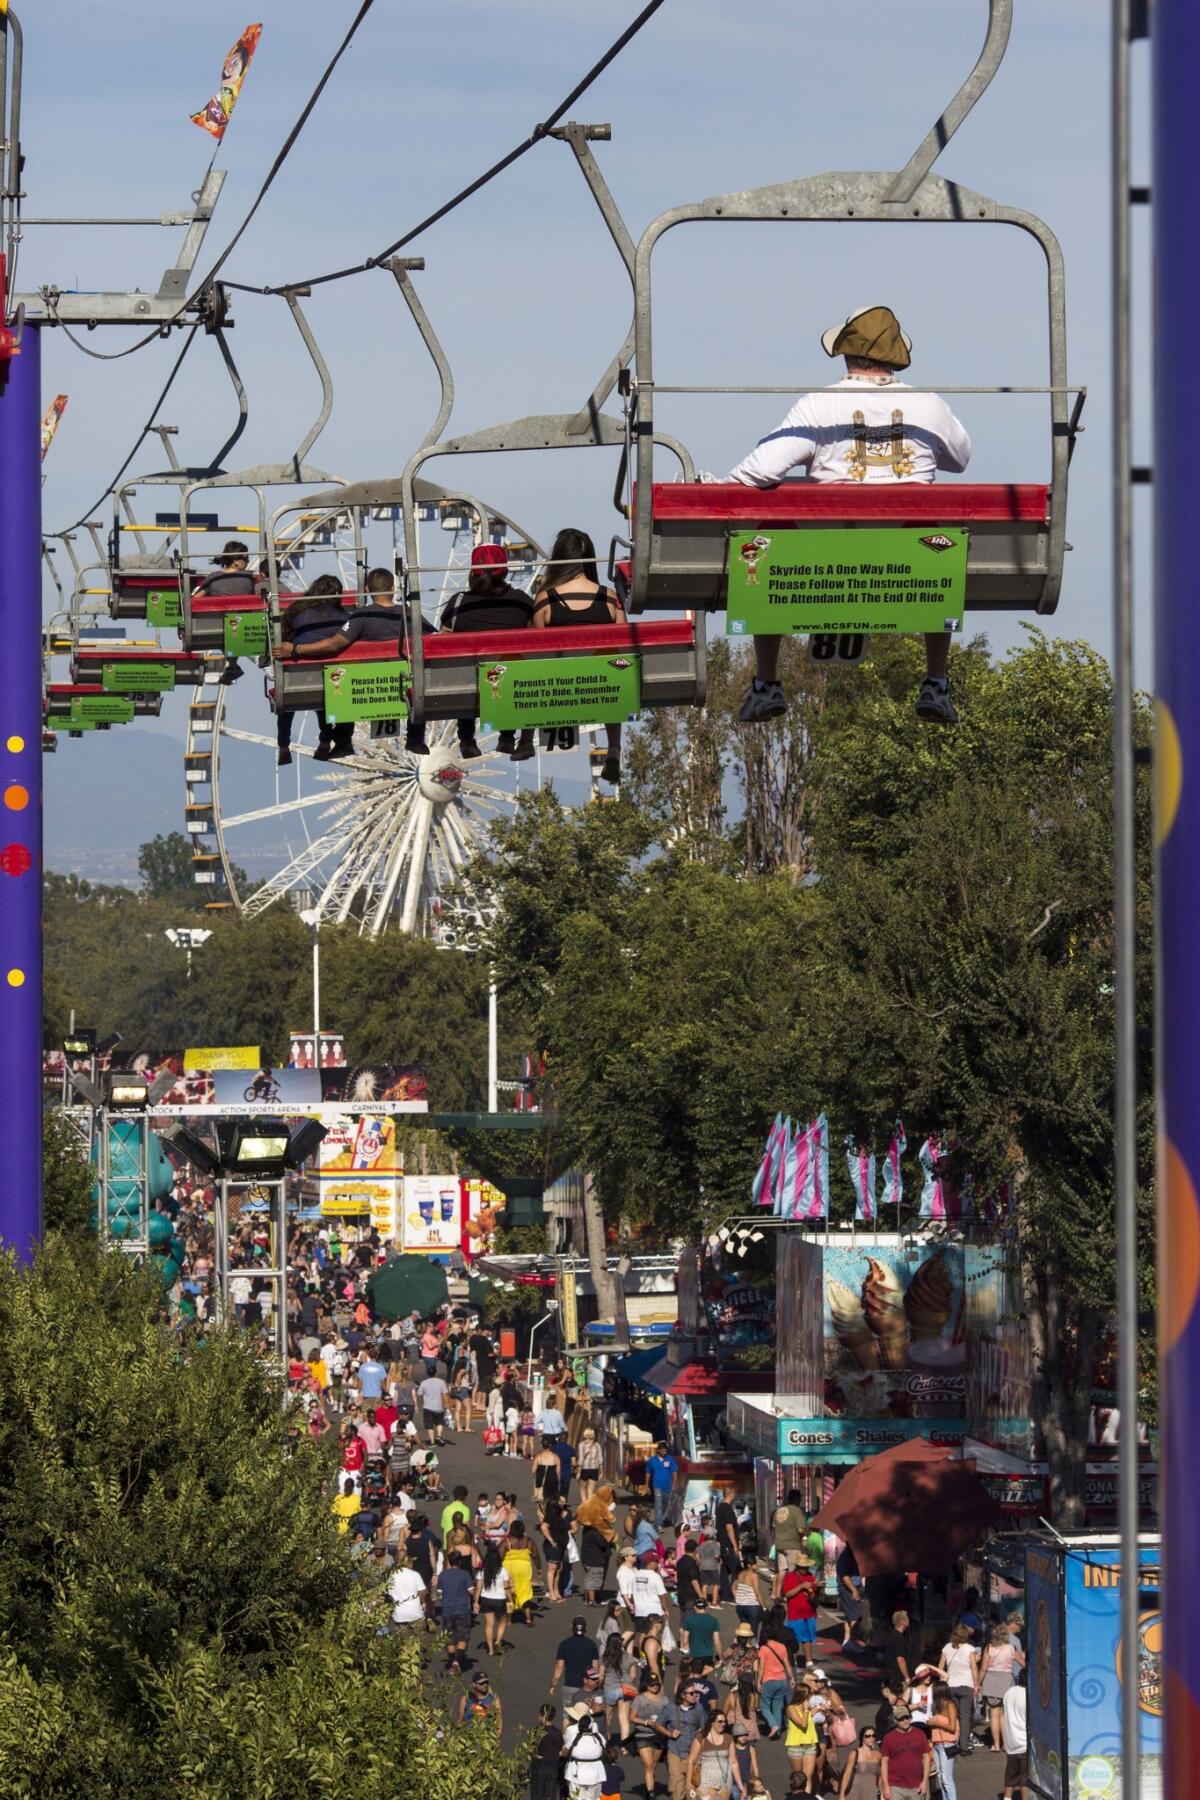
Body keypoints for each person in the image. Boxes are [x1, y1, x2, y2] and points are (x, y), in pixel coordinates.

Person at [718, 305, 971, 729]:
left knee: (769, 535)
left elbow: (761, 471)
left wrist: (718, 484)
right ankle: (936, 681)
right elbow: (960, 459)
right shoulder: (928, 406)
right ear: (894, 356)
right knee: (937, 539)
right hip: (909, 571)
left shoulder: (820, 406)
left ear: (846, 354)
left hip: (822, 564)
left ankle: (766, 682)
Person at [530, 528, 626, 784]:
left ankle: (524, 740)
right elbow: (624, 646)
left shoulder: (545, 600)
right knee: (613, 673)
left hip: (561, 686)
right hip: (604, 686)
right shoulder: (609, 597)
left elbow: (534, 648)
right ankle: (614, 747)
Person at [441, 542, 536, 759]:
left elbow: (445, 637)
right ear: (505, 570)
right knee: (510, 672)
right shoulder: (521, 601)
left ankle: (466, 738)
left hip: (468, 684)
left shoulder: (459, 603)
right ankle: (507, 736)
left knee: (465, 673)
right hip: (510, 681)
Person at [275, 577, 355, 763]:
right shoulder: (345, 618)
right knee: (326, 701)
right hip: (332, 680)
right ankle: (325, 742)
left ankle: (284, 745)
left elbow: (284, 637)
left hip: (296, 678)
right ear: (336, 594)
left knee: (287, 706)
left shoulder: (298, 613)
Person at [197, 540, 261, 686]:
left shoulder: (214, 577)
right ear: (235, 561)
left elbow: (195, 599)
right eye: (245, 558)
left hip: (218, 626)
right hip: (243, 626)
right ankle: (233, 665)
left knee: (223, 632)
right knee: (234, 631)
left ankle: (233, 666)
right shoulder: (248, 578)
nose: (248, 561)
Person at [660, 1676, 708, 1800]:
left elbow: (704, 1729)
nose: (695, 1696)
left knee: (693, 1787)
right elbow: (657, 1724)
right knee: (676, 1785)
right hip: (675, 1751)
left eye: (695, 1693)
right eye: (691, 1693)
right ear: (683, 1695)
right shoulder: (670, 1708)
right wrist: (669, 1733)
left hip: (692, 1754)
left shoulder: (699, 1708)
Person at [978, 1619, 1022, 1751]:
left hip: (991, 1682)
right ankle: (1006, 1744)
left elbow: (983, 1668)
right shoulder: (1011, 1648)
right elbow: (1023, 1663)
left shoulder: (988, 1648)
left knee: (994, 1714)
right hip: (1007, 1683)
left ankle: (996, 1745)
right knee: (1004, 1715)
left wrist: (977, 1684)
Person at [939, 1623, 979, 1753]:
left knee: (953, 1715)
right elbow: (974, 1668)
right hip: (966, 1686)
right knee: (965, 1716)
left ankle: (953, 1741)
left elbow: (940, 1668)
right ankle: (964, 1745)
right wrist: (976, 1684)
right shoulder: (969, 1649)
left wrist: (940, 1684)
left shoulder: (946, 1648)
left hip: (950, 1686)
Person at [878, 1701, 931, 1800]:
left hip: (917, 1785)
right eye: (901, 1719)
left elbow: (926, 1758)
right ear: (895, 1721)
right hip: (895, 1786)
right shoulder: (889, 1738)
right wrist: (885, 1786)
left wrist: (924, 1781)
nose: (905, 1721)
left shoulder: (920, 1734)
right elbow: (884, 1763)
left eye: (907, 1717)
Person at [686, 1714, 745, 1800]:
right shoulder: (701, 1738)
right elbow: (691, 1760)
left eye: (725, 1722)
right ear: (712, 1722)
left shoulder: (728, 1738)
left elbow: (733, 1762)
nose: (723, 1724)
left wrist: (740, 1785)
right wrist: (688, 1782)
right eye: (720, 1721)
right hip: (705, 1782)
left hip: (725, 1783)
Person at [756, 1617, 797, 1740]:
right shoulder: (782, 1646)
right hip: (782, 1680)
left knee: (764, 1706)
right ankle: (777, 1732)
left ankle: (773, 1726)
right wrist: (791, 1678)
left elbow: (761, 1667)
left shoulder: (763, 1649)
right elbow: (787, 1664)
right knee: (777, 1706)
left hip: (769, 1680)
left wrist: (759, 1681)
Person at [630, 1674, 670, 1796]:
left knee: (653, 1765)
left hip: (658, 1736)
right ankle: (651, 1793)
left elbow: (669, 1716)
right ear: (646, 1685)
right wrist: (645, 1722)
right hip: (643, 1734)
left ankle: (650, 1786)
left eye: (657, 1684)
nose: (655, 1686)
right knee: (648, 1764)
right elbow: (632, 1718)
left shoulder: (664, 1699)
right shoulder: (640, 1699)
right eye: (652, 1684)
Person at [552, 1615, 603, 1710]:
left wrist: (553, 1685)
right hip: (586, 1687)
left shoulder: (564, 1644)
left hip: (569, 1684)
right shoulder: (591, 1644)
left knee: (568, 1715)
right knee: (584, 1714)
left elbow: (560, 1666)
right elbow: (594, 1667)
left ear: (571, 1627)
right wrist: (594, 1683)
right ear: (585, 1629)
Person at [564, 1699, 609, 1800]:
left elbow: (565, 1752)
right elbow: (604, 1751)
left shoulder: (571, 1732)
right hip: (595, 1773)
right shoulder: (597, 1733)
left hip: (576, 1772)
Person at [436, 1550, 474, 1670]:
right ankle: (457, 1661)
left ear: (449, 1561)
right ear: (460, 1561)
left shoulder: (443, 1575)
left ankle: (452, 1660)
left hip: (447, 1610)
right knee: (463, 1637)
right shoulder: (465, 1574)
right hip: (462, 1610)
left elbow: (439, 1593)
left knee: (449, 1638)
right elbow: (471, 1591)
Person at [779, 1556, 819, 1667]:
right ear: (798, 1567)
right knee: (795, 1639)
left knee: (807, 1639)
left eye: (807, 1567)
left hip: (809, 1613)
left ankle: (809, 1662)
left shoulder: (810, 1576)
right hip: (796, 1614)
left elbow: (813, 1593)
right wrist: (801, 1586)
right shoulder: (790, 1577)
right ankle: (794, 1662)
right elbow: (787, 1594)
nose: (806, 1569)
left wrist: (814, 1589)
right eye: (803, 1567)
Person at [474, 1543, 513, 1656]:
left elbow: (478, 1588)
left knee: (489, 1624)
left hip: (486, 1599)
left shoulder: (482, 1572)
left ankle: (490, 1649)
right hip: (500, 1600)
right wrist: (510, 1600)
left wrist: (476, 1602)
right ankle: (497, 1641)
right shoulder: (502, 1571)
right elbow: (507, 1588)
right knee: (502, 1621)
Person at [504, 1521, 541, 1628]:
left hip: (509, 1569)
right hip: (524, 1569)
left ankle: (509, 1620)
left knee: (509, 1594)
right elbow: (536, 1555)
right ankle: (528, 1619)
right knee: (525, 1593)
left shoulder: (507, 1542)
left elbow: (499, 1555)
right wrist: (539, 1568)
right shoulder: (528, 1541)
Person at [928, 1683, 960, 1800]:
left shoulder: (950, 1705)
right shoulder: (936, 1706)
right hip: (936, 1744)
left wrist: (935, 1723)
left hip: (946, 1744)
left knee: (946, 1778)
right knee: (940, 1777)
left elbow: (952, 1727)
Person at [783, 1691, 819, 1795]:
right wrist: (807, 1710)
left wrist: (821, 1708)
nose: (810, 1700)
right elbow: (803, 1724)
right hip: (796, 1747)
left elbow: (811, 1716)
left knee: (807, 1777)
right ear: (803, 1697)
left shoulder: (807, 1710)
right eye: (808, 1698)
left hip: (810, 1746)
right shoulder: (791, 1708)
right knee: (798, 1778)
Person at [530, 1701, 566, 1800]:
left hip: (538, 1767)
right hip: (553, 1768)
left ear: (542, 1716)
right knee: (550, 1796)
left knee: (537, 1795)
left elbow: (531, 1749)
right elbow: (561, 1750)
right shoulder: (557, 1733)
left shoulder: (536, 1731)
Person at [1001, 1671, 1028, 1800]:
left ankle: (1007, 1798)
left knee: (1010, 1777)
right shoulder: (1029, 1697)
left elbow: (1003, 1713)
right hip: (1025, 1743)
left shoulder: (1009, 1692)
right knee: (1025, 1779)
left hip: (1011, 1742)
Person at [838, 1724, 883, 1798]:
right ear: (862, 1738)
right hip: (854, 1794)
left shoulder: (878, 1755)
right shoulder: (855, 1754)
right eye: (867, 1736)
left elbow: (880, 1778)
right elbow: (846, 1775)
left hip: (871, 1795)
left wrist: (882, 1793)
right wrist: (842, 1794)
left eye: (873, 1735)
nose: (871, 1738)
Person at [771, 1489, 810, 1574]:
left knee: (782, 1572)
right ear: (795, 1499)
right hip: (792, 1546)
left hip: (779, 1545)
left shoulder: (779, 1511)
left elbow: (773, 1527)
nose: (800, 1501)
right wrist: (808, 1532)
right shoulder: (796, 1510)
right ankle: (791, 1587)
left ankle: (778, 1588)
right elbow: (800, 1530)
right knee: (793, 1572)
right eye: (799, 1499)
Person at [680, 1597, 722, 1674]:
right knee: (703, 1678)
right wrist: (720, 1657)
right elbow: (717, 1642)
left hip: (694, 1654)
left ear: (695, 1607)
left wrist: (685, 1655)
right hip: (708, 1655)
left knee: (694, 1676)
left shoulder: (689, 1620)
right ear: (706, 1607)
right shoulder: (713, 1620)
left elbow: (685, 1641)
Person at [883, 1609, 919, 1695]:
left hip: (891, 1675)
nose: (909, 1620)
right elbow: (900, 1660)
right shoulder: (899, 1639)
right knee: (901, 1704)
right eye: (907, 1618)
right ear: (903, 1622)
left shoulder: (892, 1635)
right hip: (899, 1678)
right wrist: (906, 1677)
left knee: (893, 1701)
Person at [645, 1442, 680, 1534]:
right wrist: (647, 1485)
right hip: (657, 1486)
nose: (664, 1452)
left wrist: (674, 1485)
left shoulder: (670, 1460)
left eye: (666, 1451)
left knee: (665, 1505)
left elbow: (675, 1473)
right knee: (658, 1505)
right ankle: (658, 1525)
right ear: (658, 1450)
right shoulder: (652, 1460)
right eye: (663, 1451)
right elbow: (648, 1473)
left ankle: (659, 1521)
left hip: (668, 1487)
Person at [386, 1553, 427, 1628]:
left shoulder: (392, 1575)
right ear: (410, 1563)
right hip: (415, 1612)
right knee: (417, 1638)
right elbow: (422, 1591)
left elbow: (389, 1594)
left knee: (402, 1638)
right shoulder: (415, 1574)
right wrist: (424, 1603)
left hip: (399, 1614)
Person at [732, 1557, 765, 1633]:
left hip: (740, 1606)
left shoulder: (741, 1574)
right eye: (754, 1564)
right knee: (753, 1631)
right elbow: (757, 1592)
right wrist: (763, 1607)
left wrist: (737, 1598)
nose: (756, 1565)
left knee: (744, 1630)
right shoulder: (754, 1575)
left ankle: (743, 1643)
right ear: (749, 1565)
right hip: (752, 1606)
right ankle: (751, 1644)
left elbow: (733, 1587)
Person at [417, 1366, 450, 1445]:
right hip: (439, 1406)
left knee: (429, 1424)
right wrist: (446, 1404)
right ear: (436, 1373)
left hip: (428, 1407)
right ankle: (439, 1436)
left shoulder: (424, 1383)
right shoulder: (441, 1382)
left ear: (427, 1373)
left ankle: (432, 1440)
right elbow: (445, 1394)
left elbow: (419, 1394)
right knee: (440, 1422)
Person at [578, 1425, 604, 1503]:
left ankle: (584, 1504)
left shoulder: (581, 1445)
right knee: (591, 1489)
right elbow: (600, 1459)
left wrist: (579, 1471)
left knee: (582, 1488)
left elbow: (581, 1459)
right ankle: (589, 1504)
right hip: (594, 1469)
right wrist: (601, 1472)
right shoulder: (597, 1445)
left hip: (585, 1469)